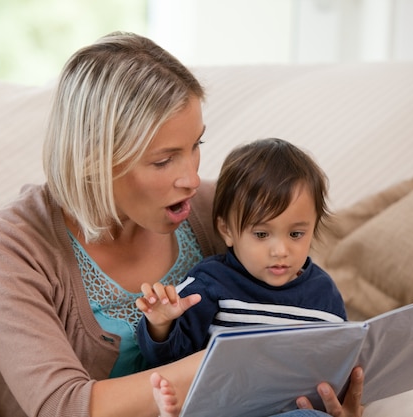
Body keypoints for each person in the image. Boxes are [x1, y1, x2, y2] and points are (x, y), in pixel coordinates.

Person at [0, 31, 365, 417]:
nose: (190, 178)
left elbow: (298, 271)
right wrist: (248, 358)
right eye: (163, 160)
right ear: (92, 159)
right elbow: (63, 407)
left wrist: (323, 391)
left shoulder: (213, 210)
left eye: (196, 146)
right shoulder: (4, 250)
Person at [136, 138, 347, 369]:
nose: (280, 251)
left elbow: (338, 363)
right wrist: (161, 324)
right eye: (261, 234)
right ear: (227, 230)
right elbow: (170, 360)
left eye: (296, 234)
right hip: (227, 402)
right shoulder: (210, 283)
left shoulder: (324, 294)